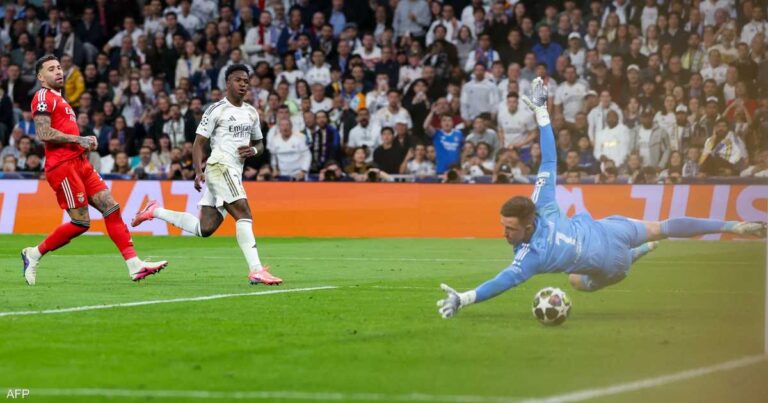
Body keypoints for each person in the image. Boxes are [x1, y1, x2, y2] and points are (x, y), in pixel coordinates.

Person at [436, 78, 767, 319]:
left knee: (576, 281)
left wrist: (464, 298)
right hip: (611, 228)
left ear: (528, 224)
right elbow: (549, 159)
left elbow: (503, 281)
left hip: (612, 265)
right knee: (664, 226)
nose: (505, 233)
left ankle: (639, 253)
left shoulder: (532, 256)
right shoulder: (542, 203)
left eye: (510, 228)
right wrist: (542, 113)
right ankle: (733, 226)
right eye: (503, 226)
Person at [21, 55, 168, 286]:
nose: (58, 71)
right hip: (62, 167)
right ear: (41, 77)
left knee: (111, 207)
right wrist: (79, 139)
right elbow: (43, 133)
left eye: (59, 67)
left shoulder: (61, 99)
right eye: (51, 69)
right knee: (81, 223)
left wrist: (82, 142)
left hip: (80, 163)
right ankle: (34, 253)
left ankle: (134, 265)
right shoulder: (42, 97)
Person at [131, 64, 282, 286]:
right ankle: (256, 270)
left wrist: (253, 150)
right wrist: (198, 171)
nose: (243, 84)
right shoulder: (216, 110)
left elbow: (260, 143)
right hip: (220, 167)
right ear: (228, 83)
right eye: (238, 80)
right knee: (244, 213)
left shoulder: (251, 112)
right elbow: (199, 142)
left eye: (246, 81)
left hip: (234, 171)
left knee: (205, 229)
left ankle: (154, 211)